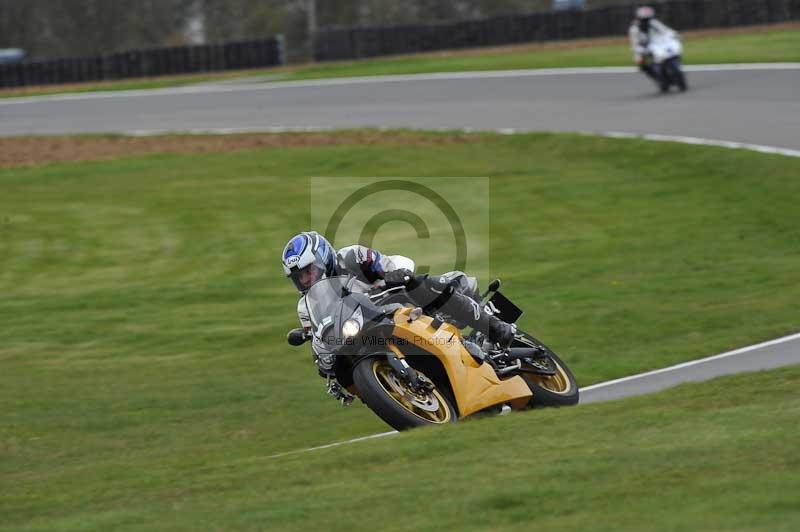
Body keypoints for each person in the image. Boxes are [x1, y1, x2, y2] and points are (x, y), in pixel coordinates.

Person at [281, 231, 516, 402]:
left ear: (324, 257)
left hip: (394, 302)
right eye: (298, 278)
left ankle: (494, 326)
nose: (305, 281)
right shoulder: (306, 306)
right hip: (361, 333)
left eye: (308, 272)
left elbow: (390, 264)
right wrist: (322, 358)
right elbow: (319, 336)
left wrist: (391, 275)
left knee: (422, 284)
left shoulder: (351, 257)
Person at [629, 6, 678, 84]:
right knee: (640, 62)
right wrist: (641, 50)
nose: (647, 21)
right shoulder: (634, 29)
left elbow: (665, 30)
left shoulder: (654, 23)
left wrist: (673, 34)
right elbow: (634, 44)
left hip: (656, 44)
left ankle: (672, 68)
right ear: (639, 18)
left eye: (648, 19)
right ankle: (657, 78)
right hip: (642, 47)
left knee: (670, 51)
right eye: (644, 19)